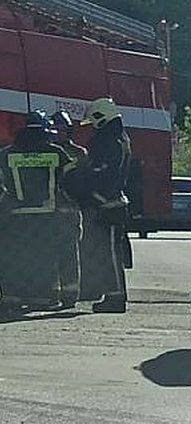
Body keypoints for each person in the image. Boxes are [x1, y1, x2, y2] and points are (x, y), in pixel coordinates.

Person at [0, 111, 79, 312]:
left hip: (16, 217)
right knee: (45, 257)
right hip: (48, 216)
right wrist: (70, 201)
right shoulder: (57, 153)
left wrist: (3, 201)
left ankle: (14, 296)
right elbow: (74, 181)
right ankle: (45, 297)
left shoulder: (7, 154)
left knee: (17, 256)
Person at [64, 97, 132, 313]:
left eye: (94, 122)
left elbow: (105, 175)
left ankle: (115, 298)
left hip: (109, 206)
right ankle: (111, 295)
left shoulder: (112, 142)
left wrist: (81, 178)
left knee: (111, 254)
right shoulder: (115, 139)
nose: (92, 127)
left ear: (101, 118)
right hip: (108, 205)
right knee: (106, 253)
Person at [49, 111, 85, 307]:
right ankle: (52, 294)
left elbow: (82, 183)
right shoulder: (47, 152)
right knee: (50, 255)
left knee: (70, 255)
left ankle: (70, 295)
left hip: (70, 213)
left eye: (63, 129)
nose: (60, 133)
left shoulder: (80, 153)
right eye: (57, 129)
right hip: (50, 212)